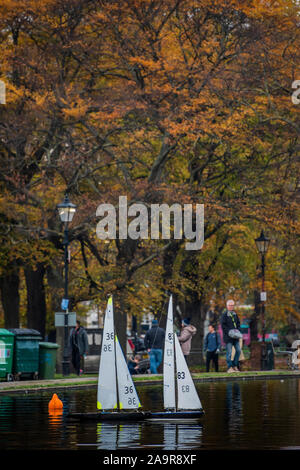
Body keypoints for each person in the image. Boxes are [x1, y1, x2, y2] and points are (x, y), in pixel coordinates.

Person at [221, 299, 241, 373]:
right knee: (229, 353)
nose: (231, 306)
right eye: (230, 305)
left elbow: (238, 323)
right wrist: (230, 332)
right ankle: (229, 367)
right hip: (228, 337)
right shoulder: (224, 315)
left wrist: (238, 331)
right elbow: (223, 326)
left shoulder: (235, 314)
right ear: (227, 306)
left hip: (235, 337)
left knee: (238, 351)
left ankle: (235, 365)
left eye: (232, 305)